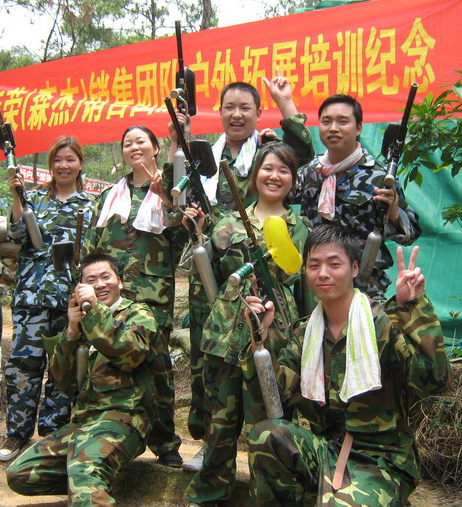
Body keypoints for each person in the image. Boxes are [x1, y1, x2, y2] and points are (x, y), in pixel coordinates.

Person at [242, 223, 451, 506]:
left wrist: (413, 309)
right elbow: (274, 399)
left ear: (354, 269)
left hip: (380, 457)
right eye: (314, 265)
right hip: (325, 448)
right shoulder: (305, 333)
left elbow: (434, 381)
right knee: (266, 434)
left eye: (334, 264)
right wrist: (260, 341)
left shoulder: (383, 324)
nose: (323, 273)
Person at [170, 76, 314, 473]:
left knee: (267, 392)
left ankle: (272, 468)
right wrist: (178, 139)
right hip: (221, 297)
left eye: (245, 108)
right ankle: (211, 455)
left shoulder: (268, 153)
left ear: (257, 113)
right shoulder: (203, 156)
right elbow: (178, 206)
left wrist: (286, 104)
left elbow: (300, 153)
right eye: (229, 107)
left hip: (271, 310)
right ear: (218, 112)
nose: (236, 114)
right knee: (214, 382)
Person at [184, 143, 311, 506]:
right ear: (255, 175)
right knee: (220, 419)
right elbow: (202, 274)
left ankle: (268, 496)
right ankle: (210, 494)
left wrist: (302, 339)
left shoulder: (301, 228)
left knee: (267, 416)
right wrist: (196, 233)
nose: (275, 176)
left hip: (274, 331)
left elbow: (305, 287)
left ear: (293, 179)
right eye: (268, 168)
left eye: (284, 170)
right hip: (226, 330)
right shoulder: (227, 222)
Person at [6, 253, 159, 504]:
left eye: (105, 277)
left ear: (119, 282)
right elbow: (63, 383)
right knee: (21, 474)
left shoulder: (138, 314)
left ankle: (89, 485)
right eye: (91, 280)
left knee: (83, 473)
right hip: (84, 422)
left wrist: (95, 311)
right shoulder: (82, 321)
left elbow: (130, 355)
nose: (100, 284)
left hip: (123, 418)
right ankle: (94, 487)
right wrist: (71, 332)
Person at [86, 125, 184, 467]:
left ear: (155, 147)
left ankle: (165, 442)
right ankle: (116, 435)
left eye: (141, 141)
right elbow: (92, 248)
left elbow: (181, 235)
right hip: (111, 298)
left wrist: (167, 197)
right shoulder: (110, 196)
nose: (134, 147)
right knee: (112, 365)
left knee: (158, 370)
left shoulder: (169, 191)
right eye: (127, 143)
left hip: (152, 297)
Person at [0, 136, 93, 462]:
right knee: (23, 367)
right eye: (58, 160)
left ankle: (53, 434)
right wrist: (16, 195)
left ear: (80, 163)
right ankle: (17, 432)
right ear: (51, 165)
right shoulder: (34, 199)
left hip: (68, 302)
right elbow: (17, 235)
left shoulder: (90, 205)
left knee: (61, 368)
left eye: (70, 159)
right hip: (32, 297)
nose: (64, 166)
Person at [291, 94, 421, 299]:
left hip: (364, 285)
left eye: (343, 121)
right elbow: (277, 196)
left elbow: (411, 233)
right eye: (326, 121)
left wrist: (394, 213)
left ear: (359, 128)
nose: (333, 128)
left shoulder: (379, 176)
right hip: (317, 283)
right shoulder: (310, 172)